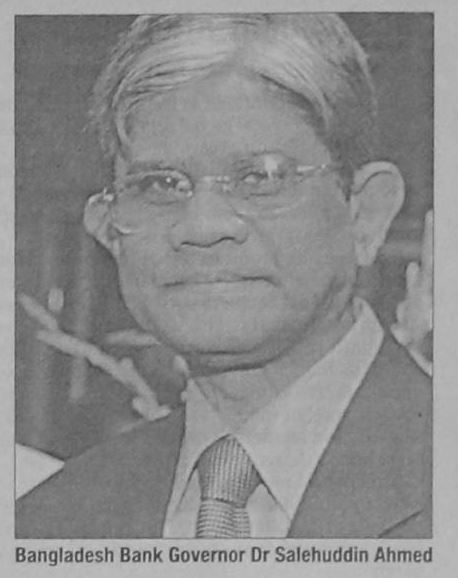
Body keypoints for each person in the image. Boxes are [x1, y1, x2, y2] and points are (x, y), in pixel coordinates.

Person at [16, 13, 432, 539]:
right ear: (109, 230)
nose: (203, 227)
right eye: (160, 184)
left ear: (365, 215)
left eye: (260, 177)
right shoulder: (48, 523)